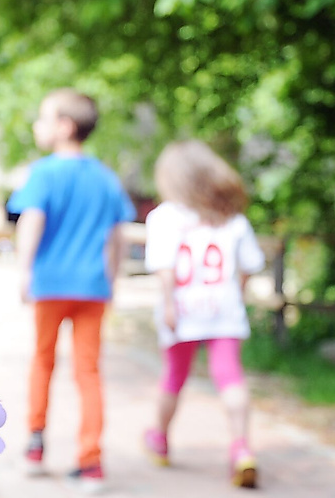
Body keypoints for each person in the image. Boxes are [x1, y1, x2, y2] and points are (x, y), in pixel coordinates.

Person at [6, 89, 136, 491]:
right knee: (89, 371)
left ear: (64, 127)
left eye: (43, 118)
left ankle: (34, 443)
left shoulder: (43, 173)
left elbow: (31, 221)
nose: (36, 125)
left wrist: (24, 270)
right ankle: (91, 460)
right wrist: (112, 281)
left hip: (51, 284)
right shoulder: (106, 178)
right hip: (93, 288)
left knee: (43, 361)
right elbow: (118, 237)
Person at [142, 139, 265, 489]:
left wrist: (168, 303)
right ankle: (241, 447)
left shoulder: (164, 217)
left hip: (181, 311)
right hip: (223, 310)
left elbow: (164, 267)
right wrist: (236, 294)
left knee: (173, 376)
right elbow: (250, 266)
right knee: (230, 377)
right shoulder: (232, 220)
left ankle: (160, 439)